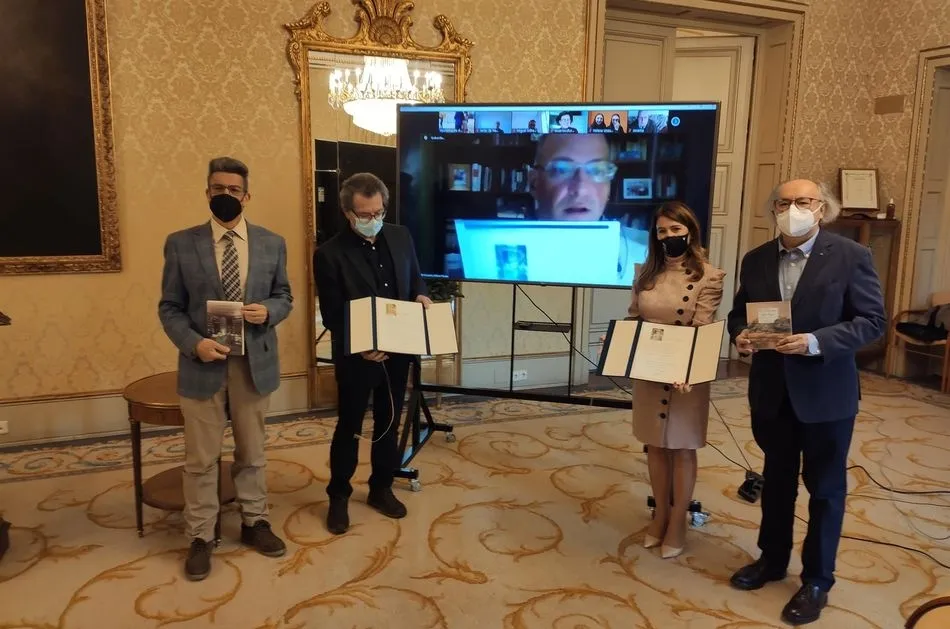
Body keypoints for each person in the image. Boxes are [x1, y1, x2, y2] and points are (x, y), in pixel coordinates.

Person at [726, 179, 886, 625]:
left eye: (804, 201)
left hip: (826, 394)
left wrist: (817, 341)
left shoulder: (852, 256)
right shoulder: (756, 259)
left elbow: (872, 321)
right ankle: (772, 559)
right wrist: (739, 334)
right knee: (777, 480)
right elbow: (741, 312)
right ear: (772, 209)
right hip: (771, 391)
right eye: (784, 202)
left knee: (826, 489)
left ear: (822, 209)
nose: (792, 208)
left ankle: (817, 579)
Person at [158, 156, 294, 581]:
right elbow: (170, 307)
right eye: (218, 189)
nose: (226, 196)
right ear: (207, 192)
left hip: (255, 365)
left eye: (234, 190)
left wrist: (267, 311)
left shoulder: (272, 243)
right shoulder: (181, 243)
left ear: (247, 195)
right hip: (203, 364)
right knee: (200, 459)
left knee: (253, 453)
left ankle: (255, 522)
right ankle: (200, 536)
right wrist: (193, 343)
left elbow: (285, 296)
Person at [313, 172, 432, 535]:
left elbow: (414, 279)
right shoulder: (329, 254)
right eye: (364, 215)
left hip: (397, 352)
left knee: (388, 423)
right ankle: (338, 495)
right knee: (349, 428)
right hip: (355, 357)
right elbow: (332, 313)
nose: (372, 221)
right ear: (348, 212)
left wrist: (421, 295)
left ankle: (380, 488)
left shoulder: (400, 235)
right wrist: (362, 344)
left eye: (377, 212)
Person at [627, 201, 725, 559]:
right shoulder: (644, 275)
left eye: (676, 230)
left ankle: (679, 520)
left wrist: (689, 369)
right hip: (651, 369)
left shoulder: (709, 277)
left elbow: (702, 326)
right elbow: (634, 319)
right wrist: (619, 342)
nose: (669, 237)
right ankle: (661, 515)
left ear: (690, 231)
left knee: (681, 447)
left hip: (686, 374)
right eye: (662, 231)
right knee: (655, 445)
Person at [528, 133, 649, 285]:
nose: (580, 189)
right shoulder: (501, 257)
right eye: (561, 170)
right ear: (534, 183)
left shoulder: (646, 261)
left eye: (597, 171)